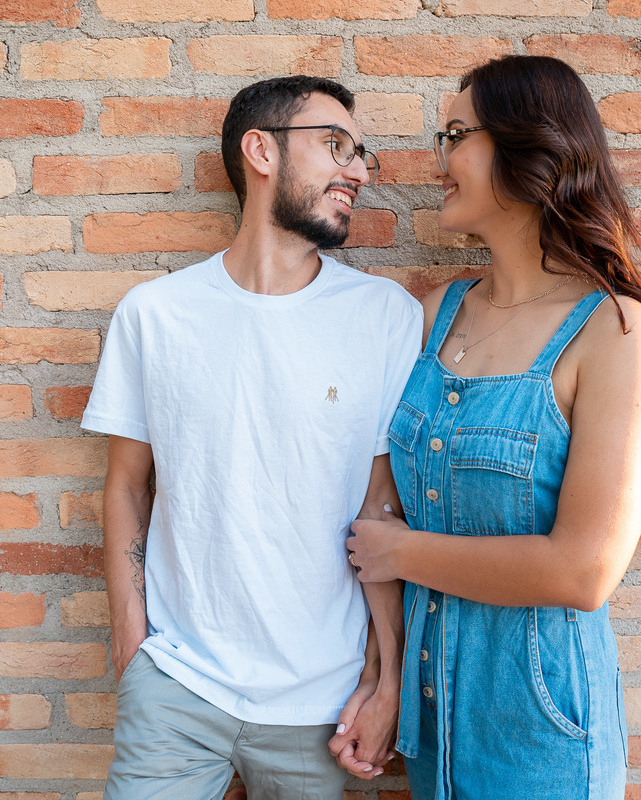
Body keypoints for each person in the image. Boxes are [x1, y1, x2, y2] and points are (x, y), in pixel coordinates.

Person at [345, 55, 641, 800]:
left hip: (540, 739)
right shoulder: (432, 313)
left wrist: (403, 552)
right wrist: (383, 683)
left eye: (456, 134)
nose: (439, 159)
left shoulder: (613, 331)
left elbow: (583, 572)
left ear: (527, 148)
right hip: (431, 725)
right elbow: (377, 502)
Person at [82, 75, 421, 800]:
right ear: (260, 151)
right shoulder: (155, 315)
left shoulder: (385, 316)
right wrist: (131, 643)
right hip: (176, 684)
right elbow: (126, 485)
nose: (358, 171)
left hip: (323, 702)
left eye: (362, 155)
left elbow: (382, 511)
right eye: (336, 146)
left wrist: (386, 677)